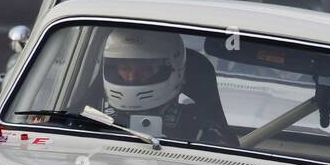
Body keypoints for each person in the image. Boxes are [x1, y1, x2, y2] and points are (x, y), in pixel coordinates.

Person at [101, 28, 235, 146]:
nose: (132, 76)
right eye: (125, 68)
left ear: (173, 69)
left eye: (145, 69)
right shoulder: (94, 117)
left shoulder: (198, 124)